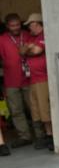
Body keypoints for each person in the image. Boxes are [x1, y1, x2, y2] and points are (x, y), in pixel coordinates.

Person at [0, 13, 34, 147]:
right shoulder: (1, 39)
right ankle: (24, 136)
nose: (15, 28)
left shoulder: (27, 35)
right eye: (12, 25)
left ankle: (41, 135)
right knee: (16, 110)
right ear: (7, 26)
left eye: (18, 25)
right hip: (11, 80)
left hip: (29, 78)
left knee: (34, 108)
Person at [23, 13, 54, 151]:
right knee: (36, 109)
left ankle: (51, 136)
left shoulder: (44, 36)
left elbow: (36, 51)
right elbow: (21, 50)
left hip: (43, 79)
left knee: (45, 109)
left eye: (30, 24)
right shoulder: (31, 37)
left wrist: (28, 48)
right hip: (32, 79)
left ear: (37, 23)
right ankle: (45, 135)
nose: (29, 27)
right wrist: (27, 48)